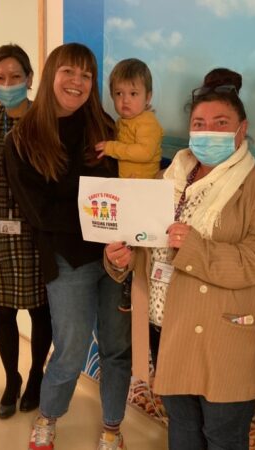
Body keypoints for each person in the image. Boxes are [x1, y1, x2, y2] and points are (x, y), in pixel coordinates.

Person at [105, 69, 255, 450]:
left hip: (223, 334)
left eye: (222, 123)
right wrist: (120, 258)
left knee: (222, 436)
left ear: (242, 128)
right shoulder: (166, 179)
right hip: (168, 328)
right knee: (182, 431)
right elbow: (145, 245)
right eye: (199, 124)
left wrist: (195, 248)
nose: (209, 132)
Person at [3, 43, 132, 450]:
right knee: (71, 348)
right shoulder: (23, 138)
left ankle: (112, 425)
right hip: (67, 258)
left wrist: (123, 234)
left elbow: (125, 190)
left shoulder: (105, 129)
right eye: (68, 72)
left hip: (115, 255)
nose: (77, 82)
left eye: (86, 75)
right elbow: (39, 213)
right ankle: (49, 414)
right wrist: (96, 220)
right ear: (49, 75)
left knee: (116, 347)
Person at [0, 44, 52, 420]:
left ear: (30, 79)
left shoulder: (45, 121)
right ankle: (12, 378)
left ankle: (37, 377)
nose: (7, 84)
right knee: (3, 312)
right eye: (0, 78)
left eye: (15, 77)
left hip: (34, 232)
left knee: (41, 312)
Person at [94, 58, 163, 313]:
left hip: (143, 191)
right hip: (128, 191)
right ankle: (126, 285)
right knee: (124, 242)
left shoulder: (147, 122)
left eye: (133, 93)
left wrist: (112, 148)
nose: (125, 100)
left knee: (137, 245)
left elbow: (144, 152)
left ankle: (131, 288)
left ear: (148, 96)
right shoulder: (123, 122)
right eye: (119, 94)